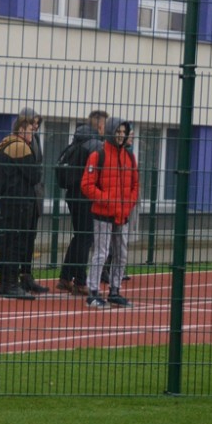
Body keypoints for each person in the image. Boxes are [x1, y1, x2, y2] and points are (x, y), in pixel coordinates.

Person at [80, 118, 138, 309]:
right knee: (101, 253)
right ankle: (93, 292)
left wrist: (128, 203)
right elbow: (87, 185)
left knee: (121, 254)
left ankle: (115, 290)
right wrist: (106, 199)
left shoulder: (129, 157)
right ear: (111, 132)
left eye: (123, 132)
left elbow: (135, 185)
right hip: (103, 214)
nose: (121, 135)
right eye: (118, 132)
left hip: (122, 214)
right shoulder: (98, 155)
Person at [0, 112, 44, 300]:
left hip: (6, 200)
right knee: (15, 243)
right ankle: (12, 284)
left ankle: (4, 283)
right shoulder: (21, 147)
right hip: (20, 202)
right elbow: (35, 176)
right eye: (30, 129)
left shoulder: (4, 143)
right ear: (22, 129)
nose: (33, 133)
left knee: (6, 241)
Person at [57, 110, 108, 295]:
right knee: (86, 237)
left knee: (80, 236)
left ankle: (65, 277)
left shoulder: (77, 141)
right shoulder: (95, 145)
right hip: (86, 196)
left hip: (73, 194)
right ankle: (79, 281)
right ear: (100, 126)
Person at [15, 107, 49, 294]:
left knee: (30, 237)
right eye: (33, 123)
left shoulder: (35, 139)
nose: (35, 126)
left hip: (35, 195)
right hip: (23, 196)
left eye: (37, 123)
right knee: (20, 237)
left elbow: (38, 166)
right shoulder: (18, 142)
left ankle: (27, 275)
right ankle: (16, 277)